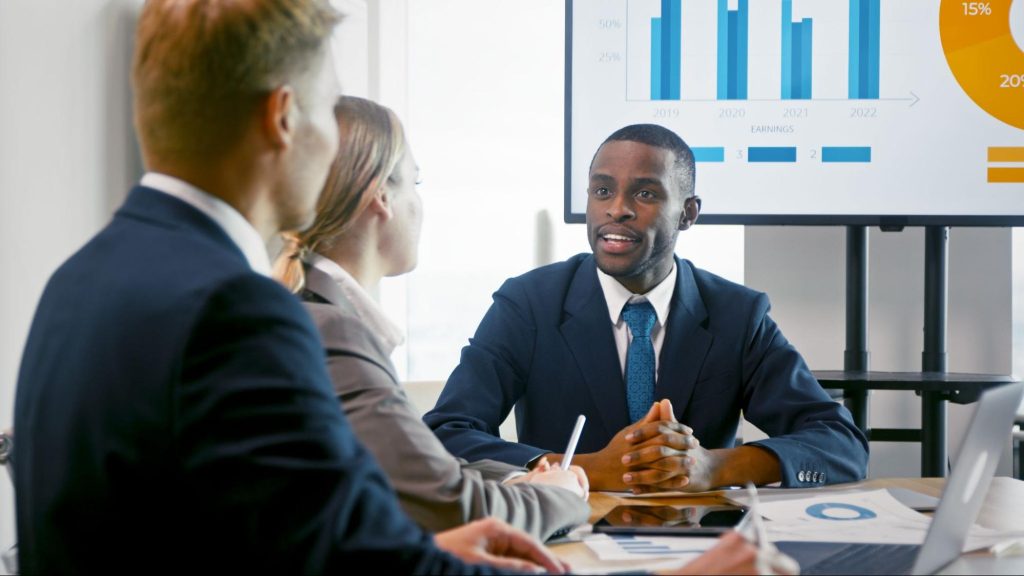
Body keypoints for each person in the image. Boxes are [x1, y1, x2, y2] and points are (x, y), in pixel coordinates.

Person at [11, 2, 564, 573]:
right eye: (326, 110)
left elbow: (271, 537)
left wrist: (423, 551)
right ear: (282, 118)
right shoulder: (238, 310)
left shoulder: (77, 279)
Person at [425, 123, 869, 493]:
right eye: (602, 190)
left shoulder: (737, 314)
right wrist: (582, 469)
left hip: (698, 546)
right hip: (563, 541)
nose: (615, 210)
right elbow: (444, 435)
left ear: (688, 213)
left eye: (645, 194)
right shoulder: (529, 304)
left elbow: (840, 443)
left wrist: (715, 468)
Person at [273, 96, 591, 541]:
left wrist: (522, 477)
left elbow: (419, 469)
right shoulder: (334, 332)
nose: (420, 204)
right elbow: (451, 507)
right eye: (414, 183)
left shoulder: (310, 314)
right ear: (381, 195)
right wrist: (562, 497)